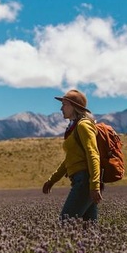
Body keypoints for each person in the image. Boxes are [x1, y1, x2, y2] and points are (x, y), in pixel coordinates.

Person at [42, 89, 102, 221]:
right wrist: (52, 180)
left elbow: (93, 155)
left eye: (64, 104)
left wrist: (94, 185)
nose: (61, 108)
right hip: (81, 181)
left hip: (85, 182)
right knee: (89, 230)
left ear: (74, 107)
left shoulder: (83, 126)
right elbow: (69, 160)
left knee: (66, 223)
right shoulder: (73, 128)